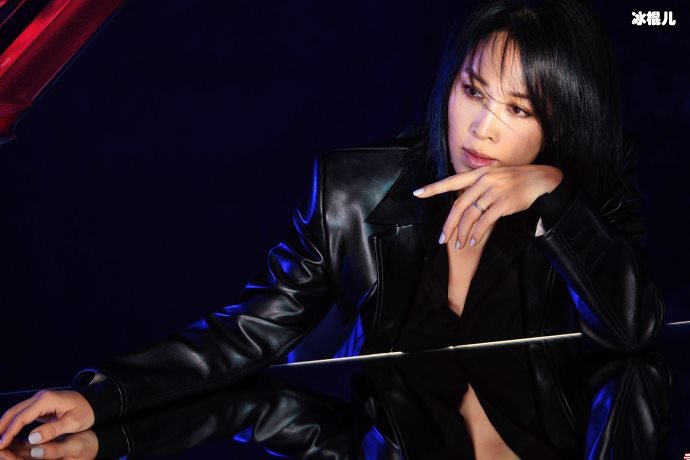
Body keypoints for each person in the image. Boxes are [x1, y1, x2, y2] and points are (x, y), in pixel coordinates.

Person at [0, 0, 664, 456]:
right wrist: (103, 398)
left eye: (518, 109)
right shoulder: (354, 191)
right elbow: (250, 332)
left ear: (561, 121)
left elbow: (634, 339)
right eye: (473, 90)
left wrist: (555, 204)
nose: (482, 129)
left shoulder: (583, 199)